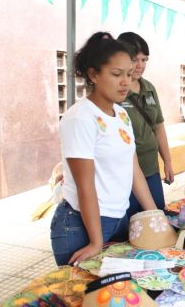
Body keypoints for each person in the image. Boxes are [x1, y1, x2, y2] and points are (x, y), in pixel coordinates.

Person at [51, 32, 157, 266]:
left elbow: (134, 169)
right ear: (93, 75)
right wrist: (96, 242)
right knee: (81, 299)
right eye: (117, 74)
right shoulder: (80, 118)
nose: (125, 82)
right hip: (82, 226)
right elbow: (84, 186)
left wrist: (154, 216)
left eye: (129, 75)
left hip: (119, 218)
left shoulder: (121, 114)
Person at [117, 32, 173, 216]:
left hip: (150, 169)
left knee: (156, 218)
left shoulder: (149, 88)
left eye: (144, 59)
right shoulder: (115, 91)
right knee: (129, 227)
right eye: (135, 60)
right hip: (124, 174)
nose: (140, 65)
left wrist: (168, 162)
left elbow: (158, 126)